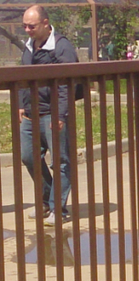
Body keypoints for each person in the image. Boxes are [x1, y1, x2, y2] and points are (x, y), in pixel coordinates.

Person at [18, 5, 77, 225]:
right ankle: (46, 201)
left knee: (61, 161)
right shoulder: (28, 46)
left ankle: (57, 209)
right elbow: (23, 77)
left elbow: (66, 84)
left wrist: (60, 115)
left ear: (45, 23)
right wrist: (20, 105)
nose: (27, 30)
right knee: (28, 156)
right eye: (24, 25)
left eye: (31, 26)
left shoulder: (61, 48)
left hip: (53, 114)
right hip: (31, 114)